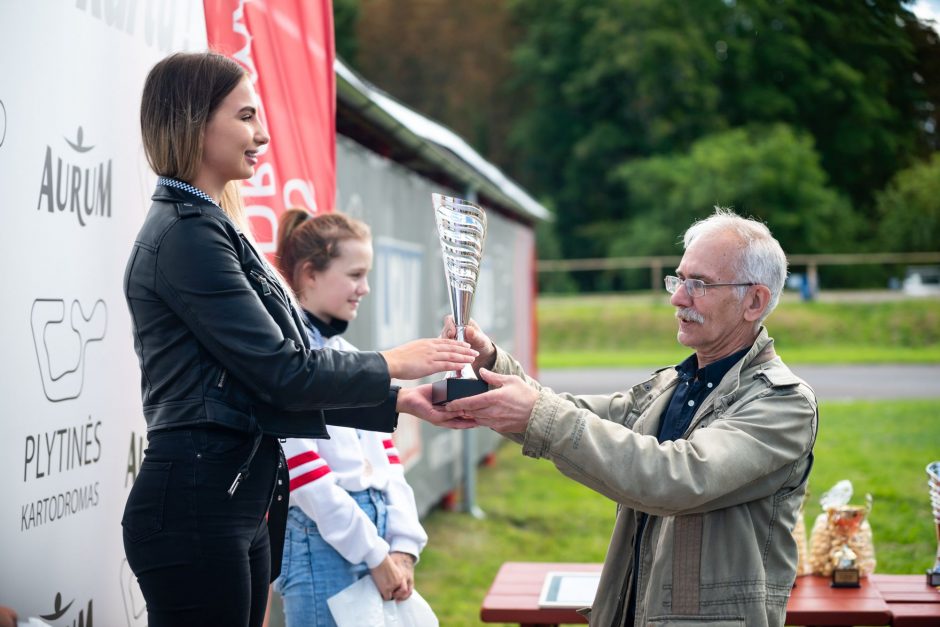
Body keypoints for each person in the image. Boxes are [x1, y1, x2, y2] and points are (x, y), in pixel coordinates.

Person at [122, 51, 475, 627]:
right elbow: (283, 372)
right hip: (196, 505)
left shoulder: (210, 227)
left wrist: (398, 400)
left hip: (232, 500)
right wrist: (392, 364)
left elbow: (267, 384)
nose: (261, 133)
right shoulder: (187, 236)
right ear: (192, 121)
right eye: (244, 116)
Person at [443, 208, 818, 626]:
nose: (678, 297)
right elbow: (572, 414)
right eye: (678, 279)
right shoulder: (675, 386)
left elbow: (673, 478)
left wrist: (536, 413)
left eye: (700, 284)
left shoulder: (783, 405)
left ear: (754, 301)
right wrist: (491, 364)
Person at [272, 209, 429, 626]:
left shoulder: (344, 354)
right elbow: (304, 476)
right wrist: (375, 554)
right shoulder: (283, 358)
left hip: (374, 539)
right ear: (309, 274)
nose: (366, 288)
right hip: (320, 539)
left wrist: (404, 545)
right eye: (355, 275)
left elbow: (385, 457)